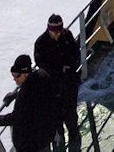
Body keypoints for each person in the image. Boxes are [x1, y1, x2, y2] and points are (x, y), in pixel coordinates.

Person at [0, 54, 57, 152]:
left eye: (16, 75)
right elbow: (37, 95)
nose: (14, 78)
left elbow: (16, 118)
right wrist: (16, 95)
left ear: (25, 73)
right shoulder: (42, 76)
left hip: (31, 144)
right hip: (44, 137)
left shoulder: (25, 95)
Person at [34, 15, 81, 152]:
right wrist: (60, 68)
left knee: (71, 114)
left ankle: (74, 137)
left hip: (69, 84)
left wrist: (70, 66)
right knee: (56, 117)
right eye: (54, 32)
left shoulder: (67, 36)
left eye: (59, 31)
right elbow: (41, 65)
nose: (57, 34)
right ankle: (59, 140)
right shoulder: (41, 43)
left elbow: (75, 54)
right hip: (53, 88)